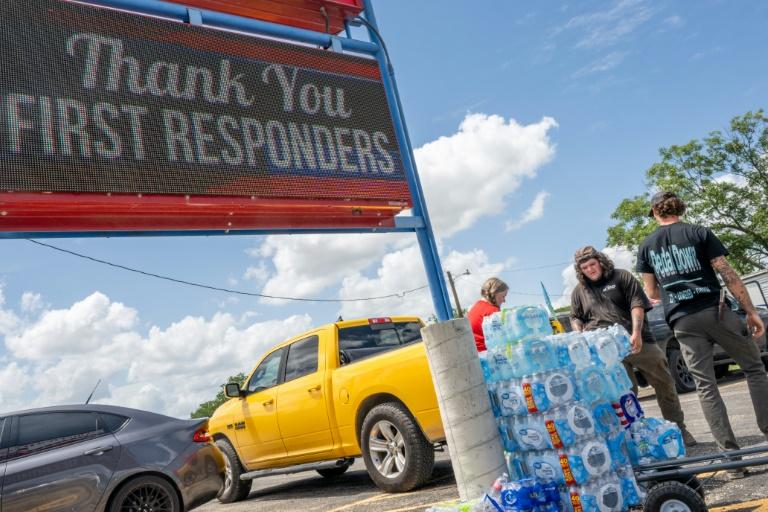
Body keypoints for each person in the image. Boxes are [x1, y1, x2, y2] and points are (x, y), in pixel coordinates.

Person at [638, 191, 768, 477]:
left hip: (682, 321)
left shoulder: (646, 246)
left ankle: (732, 460)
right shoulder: (699, 233)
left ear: (655, 213)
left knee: (706, 386)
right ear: (679, 208)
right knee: (754, 369)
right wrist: (751, 311)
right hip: (716, 310)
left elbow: (651, 292)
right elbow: (727, 273)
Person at [569, 246, 696, 447]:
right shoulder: (580, 290)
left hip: (637, 340)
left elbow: (637, 304)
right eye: (585, 268)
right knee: (623, 394)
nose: (590, 270)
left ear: (600, 262)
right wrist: (579, 333)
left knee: (664, 383)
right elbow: (576, 316)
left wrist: (636, 332)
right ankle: (634, 440)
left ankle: (679, 430)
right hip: (605, 351)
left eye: (592, 264)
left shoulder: (621, 277)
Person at [467, 277, 509, 352]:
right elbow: (503, 339)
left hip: (473, 353)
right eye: (503, 296)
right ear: (495, 293)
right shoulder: (493, 311)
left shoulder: (476, 306)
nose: (504, 300)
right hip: (487, 355)